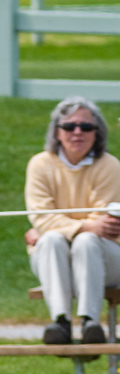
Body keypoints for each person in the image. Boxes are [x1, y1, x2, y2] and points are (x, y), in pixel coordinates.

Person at [24, 96, 120, 345]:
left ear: (97, 133)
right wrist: (84, 226)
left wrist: (55, 227)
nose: (78, 132)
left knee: (86, 242)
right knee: (53, 240)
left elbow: (105, 223)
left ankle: (90, 322)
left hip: (107, 260)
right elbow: (42, 219)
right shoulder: (39, 165)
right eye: (69, 126)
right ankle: (61, 322)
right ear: (57, 132)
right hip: (55, 258)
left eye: (86, 127)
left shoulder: (110, 166)